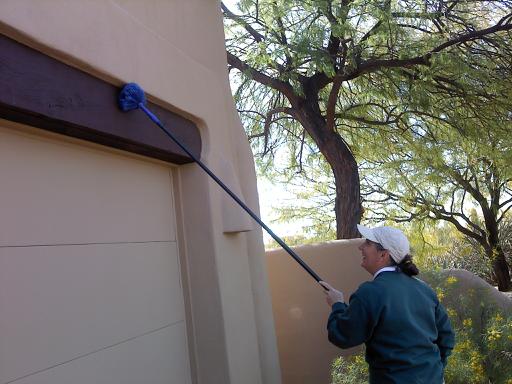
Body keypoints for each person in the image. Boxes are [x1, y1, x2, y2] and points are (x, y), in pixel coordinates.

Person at [320, 225, 455, 384]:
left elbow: (342, 336)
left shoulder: (370, 292)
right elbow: (447, 338)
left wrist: (337, 305)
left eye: (368, 243)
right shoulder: (425, 290)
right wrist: (433, 371)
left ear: (383, 254)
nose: (360, 247)